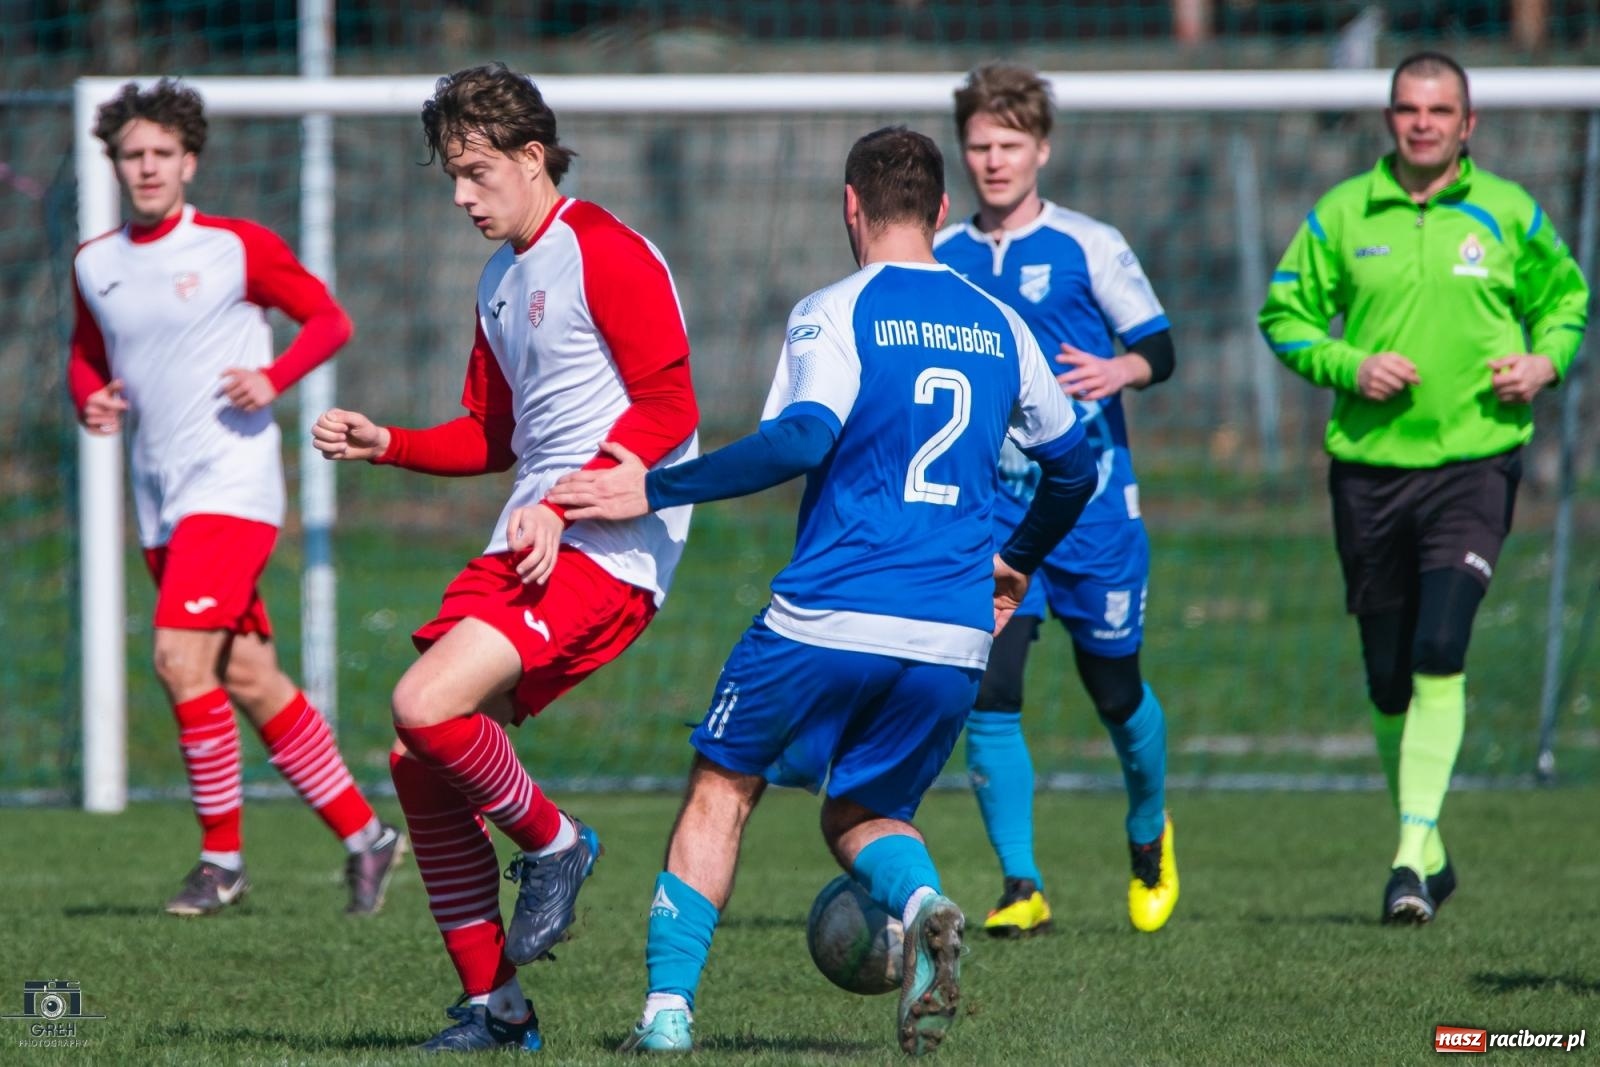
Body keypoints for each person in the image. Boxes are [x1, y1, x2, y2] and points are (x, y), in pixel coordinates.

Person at [548, 126, 1097, 1057]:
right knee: (863, 813)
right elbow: (1073, 468)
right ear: (940, 212)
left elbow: (802, 437)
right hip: (955, 633)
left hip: (829, 612)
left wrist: (657, 483)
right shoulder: (1002, 323)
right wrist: (1018, 561)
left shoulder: (836, 309)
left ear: (851, 206)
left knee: (723, 787)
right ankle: (924, 903)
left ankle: (668, 1015)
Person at [312, 63, 700, 1051]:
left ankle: (558, 842)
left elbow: (670, 407)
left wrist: (567, 505)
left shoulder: (604, 250)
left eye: (476, 172)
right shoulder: (499, 281)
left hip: (608, 546)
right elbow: (493, 435)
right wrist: (384, 440)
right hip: (531, 537)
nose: (460, 196)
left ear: (533, 157)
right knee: (415, 756)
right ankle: (500, 1006)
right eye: (450, 174)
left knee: (422, 702)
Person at [1259, 52, 1588, 924]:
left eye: (1440, 109)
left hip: (1475, 464)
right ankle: (1430, 847)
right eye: (1408, 108)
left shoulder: (1508, 211)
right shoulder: (1340, 215)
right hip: (1368, 472)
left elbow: (1567, 300)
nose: (1422, 122)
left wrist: (1544, 361)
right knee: (1387, 679)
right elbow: (1282, 314)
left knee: (1442, 644)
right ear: (1389, 118)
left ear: (1468, 123)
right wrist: (1349, 363)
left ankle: (1406, 860)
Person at [68, 79, 404, 919]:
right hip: (157, 496)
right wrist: (90, 397)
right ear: (115, 164)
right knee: (248, 676)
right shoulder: (95, 262)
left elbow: (328, 319)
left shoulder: (235, 246)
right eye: (131, 155)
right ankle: (368, 838)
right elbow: (84, 354)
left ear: (188, 161)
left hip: (234, 485)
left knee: (178, 658)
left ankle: (221, 863)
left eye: (160, 154)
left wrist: (273, 377)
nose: (146, 167)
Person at [931, 62, 1180, 936]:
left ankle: (1148, 829)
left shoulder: (1087, 242)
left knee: (1115, 690)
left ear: (1041, 147)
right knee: (991, 687)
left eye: (1009, 144)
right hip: (993, 511)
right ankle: (1020, 884)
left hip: (1095, 506)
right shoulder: (945, 258)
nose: (993, 161)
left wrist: (1123, 368)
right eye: (978, 146)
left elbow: (1160, 345)